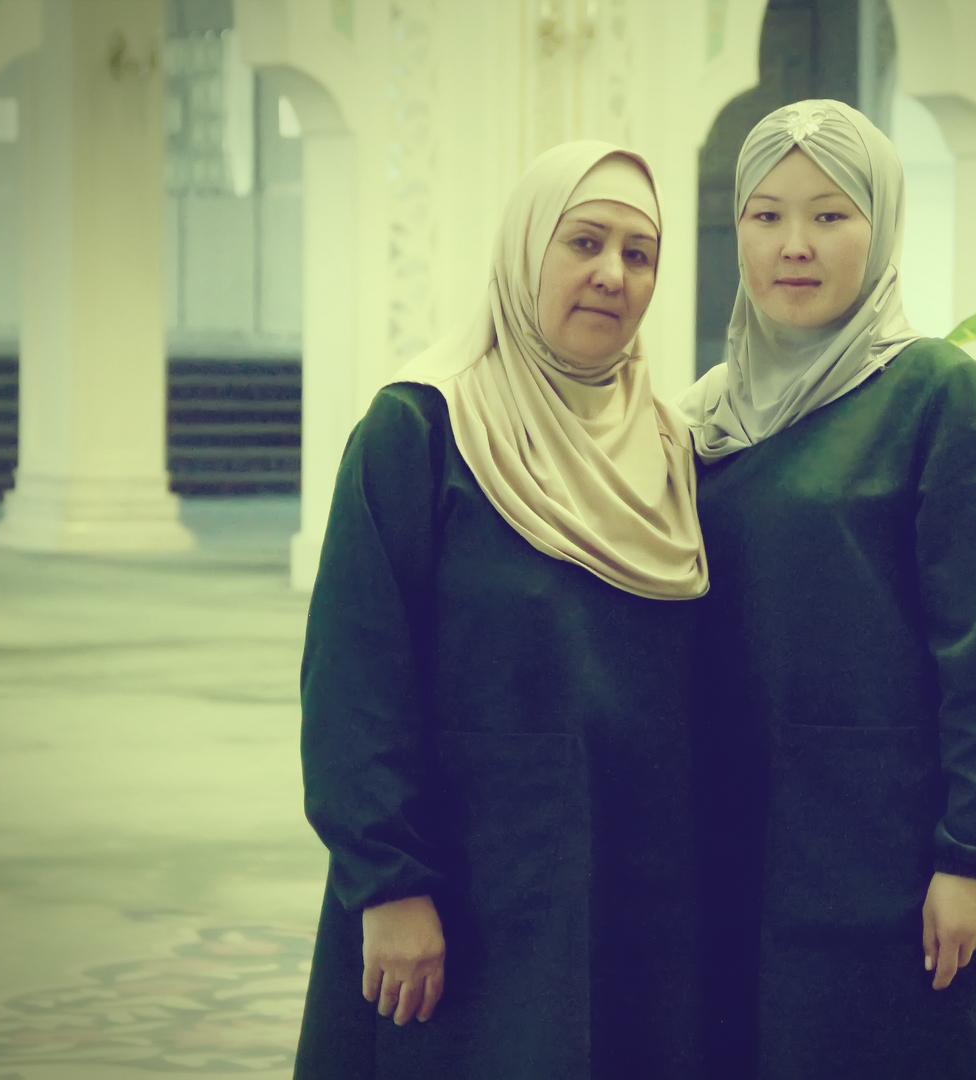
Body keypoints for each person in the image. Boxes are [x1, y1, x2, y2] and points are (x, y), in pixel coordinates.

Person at [293, 141, 709, 1080]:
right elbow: (353, 681)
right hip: (464, 895)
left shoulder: (672, 450)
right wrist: (389, 886)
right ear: (525, 252)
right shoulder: (421, 431)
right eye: (584, 242)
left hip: (638, 900)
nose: (612, 274)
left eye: (639, 253)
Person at [681, 99, 976, 1079]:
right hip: (732, 842)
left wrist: (974, 856)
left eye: (830, 215)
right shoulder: (704, 418)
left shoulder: (936, 395)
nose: (794, 246)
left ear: (881, 226)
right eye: (766, 215)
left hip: (887, 860)